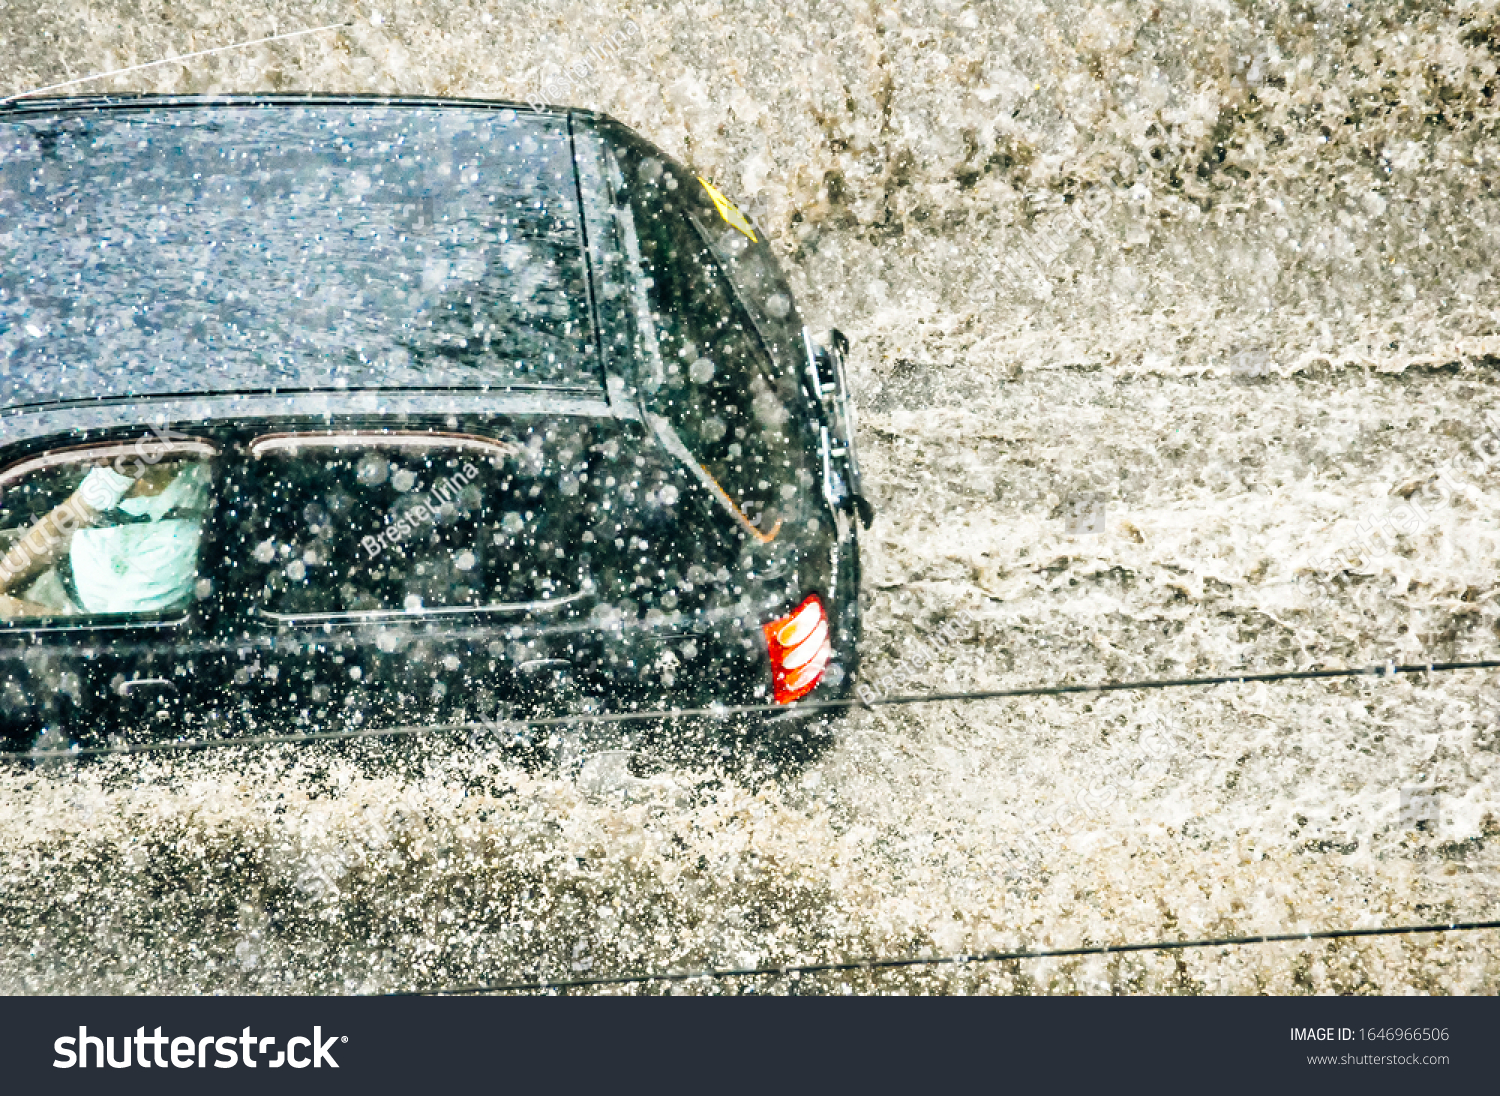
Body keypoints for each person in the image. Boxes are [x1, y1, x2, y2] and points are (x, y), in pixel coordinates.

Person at [0, 460, 210, 619]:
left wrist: (15, 611)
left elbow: (115, 632)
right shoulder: (127, 466)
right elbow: (62, 522)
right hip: (59, 587)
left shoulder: (181, 538)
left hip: (74, 627)